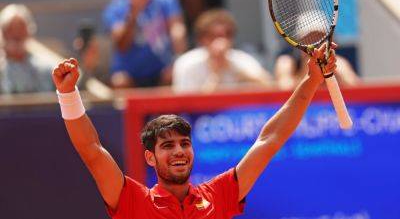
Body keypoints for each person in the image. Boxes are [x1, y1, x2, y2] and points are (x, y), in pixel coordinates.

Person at [52, 42, 337, 218]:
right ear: (149, 158)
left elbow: (271, 138)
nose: (179, 151)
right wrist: (68, 95)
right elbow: (91, 151)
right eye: (167, 146)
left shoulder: (219, 195)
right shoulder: (132, 201)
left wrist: (312, 80)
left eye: (184, 144)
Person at [172, 9, 272, 93]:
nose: (220, 41)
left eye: (226, 35)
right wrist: (216, 74)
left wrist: (236, 69)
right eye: (212, 36)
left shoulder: (241, 59)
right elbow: (186, 104)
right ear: (201, 39)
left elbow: (270, 87)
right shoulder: (187, 63)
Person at [103, 0, 187, 88]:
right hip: (130, 76)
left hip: (161, 72)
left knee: (175, 74)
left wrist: (178, 54)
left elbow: (176, 27)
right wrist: (133, 14)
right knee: (119, 81)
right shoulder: (116, 7)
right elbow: (122, 46)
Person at [0, 4, 54, 94]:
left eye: (21, 29)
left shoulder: (46, 69)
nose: (16, 33)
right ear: (3, 33)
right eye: (10, 29)